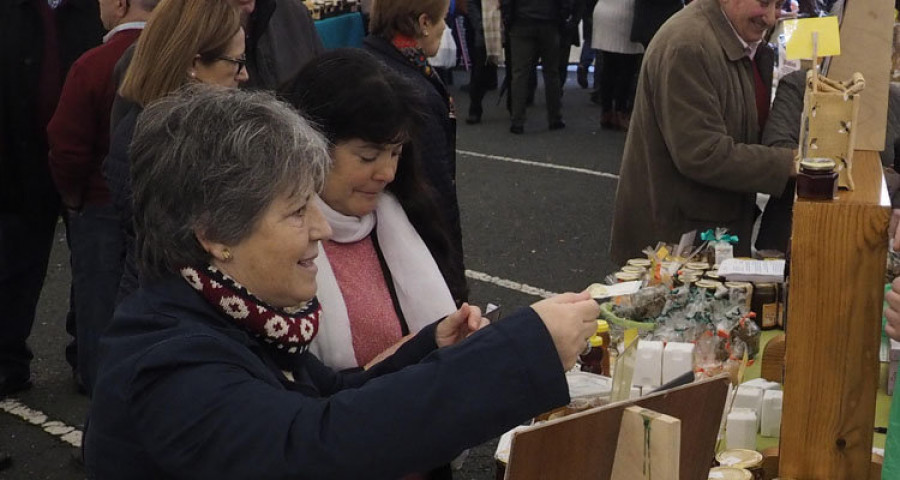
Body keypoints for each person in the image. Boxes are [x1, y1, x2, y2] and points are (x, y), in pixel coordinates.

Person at [83, 84, 600, 479]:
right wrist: (523, 350)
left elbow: (329, 396)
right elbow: (312, 445)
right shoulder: (171, 363)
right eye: (296, 212)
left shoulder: (230, 311)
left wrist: (432, 349)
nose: (322, 228)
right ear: (216, 233)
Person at [286, 49, 465, 374]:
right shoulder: (274, 243)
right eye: (368, 157)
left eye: (396, 153)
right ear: (309, 147)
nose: (387, 173)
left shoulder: (409, 214)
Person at [608, 0, 796, 264]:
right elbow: (703, 153)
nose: (771, 18)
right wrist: (791, 162)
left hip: (705, 229)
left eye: (778, 5)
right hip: (673, 245)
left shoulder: (731, 38)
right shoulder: (688, 46)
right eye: (764, 3)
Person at [104, 0, 248, 310]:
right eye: (235, 62)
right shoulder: (166, 145)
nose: (244, 74)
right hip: (172, 308)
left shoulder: (151, 122)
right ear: (193, 64)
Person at [46, 0, 158, 395]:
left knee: (98, 299)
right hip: (156, 203)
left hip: (99, 200)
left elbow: (67, 145)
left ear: (119, 5)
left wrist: (73, 195)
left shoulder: (92, 64)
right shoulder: (174, 60)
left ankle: (99, 386)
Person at [0, 0, 104, 397]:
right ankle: (7, 360)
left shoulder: (94, 10)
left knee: (93, 266)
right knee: (14, 267)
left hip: (86, 161)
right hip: (18, 158)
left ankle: (87, 357)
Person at [363, 0, 468, 304]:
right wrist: (454, 279)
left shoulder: (370, 60)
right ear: (423, 22)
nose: (445, 28)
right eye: (441, 20)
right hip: (411, 238)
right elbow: (435, 193)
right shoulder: (412, 91)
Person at [756, 68, 900, 253]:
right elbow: (778, 148)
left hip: (867, 242)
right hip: (795, 233)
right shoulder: (801, 84)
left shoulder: (893, 99)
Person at [500, 0, 573, 134]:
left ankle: (517, 121)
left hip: (521, 23)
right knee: (552, 73)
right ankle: (555, 118)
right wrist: (562, 19)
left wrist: (508, 19)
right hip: (549, 23)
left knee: (519, 74)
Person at [591, 0, 645, 131]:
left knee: (609, 67)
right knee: (627, 69)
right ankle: (620, 112)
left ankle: (606, 112)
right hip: (626, 16)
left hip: (603, 13)